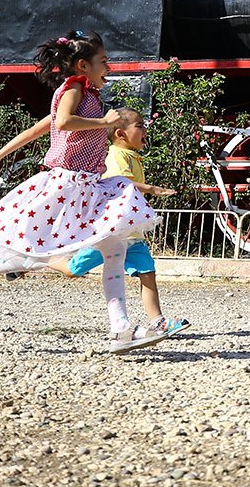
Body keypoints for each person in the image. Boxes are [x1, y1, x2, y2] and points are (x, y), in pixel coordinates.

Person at [0, 30, 165, 355]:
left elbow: (42, 127)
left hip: (89, 186)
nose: (109, 66)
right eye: (104, 61)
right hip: (65, 186)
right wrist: (104, 124)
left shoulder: (90, 94)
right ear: (83, 65)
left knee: (115, 249)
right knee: (31, 257)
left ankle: (121, 329)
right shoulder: (74, 89)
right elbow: (63, 122)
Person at [47, 108, 189, 337]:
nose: (145, 130)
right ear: (121, 134)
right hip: (111, 233)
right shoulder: (116, 156)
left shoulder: (131, 155)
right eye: (140, 126)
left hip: (131, 233)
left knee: (147, 272)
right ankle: (43, 258)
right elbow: (119, 182)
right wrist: (152, 188)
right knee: (73, 270)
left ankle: (158, 321)